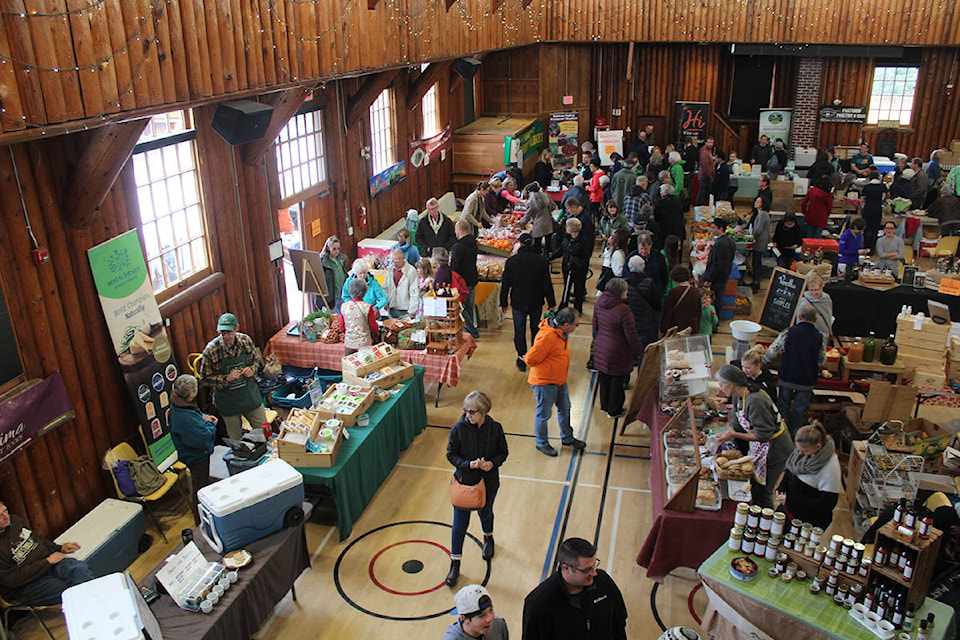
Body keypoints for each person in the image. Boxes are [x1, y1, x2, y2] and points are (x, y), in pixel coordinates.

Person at [444, 391, 509, 587]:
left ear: (483, 412)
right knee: (459, 525)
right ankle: (455, 563)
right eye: (466, 411)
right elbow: (451, 455)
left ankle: (488, 538)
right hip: (465, 483)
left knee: (486, 512)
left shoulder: (495, 428)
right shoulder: (458, 429)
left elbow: (503, 452)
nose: (467, 415)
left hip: (488, 482)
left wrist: (492, 463)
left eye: (472, 412)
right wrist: (469, 464)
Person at [713, 364, 794, 509]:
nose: (720, 389)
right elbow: (736, 421)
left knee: (763, 491)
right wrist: (729, 432)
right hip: (761, 448)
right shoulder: (740, 396)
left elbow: (763, 434)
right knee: (755, 487)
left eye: (721, 385)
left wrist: (733, 434)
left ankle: (765, 521)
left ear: (731, 385)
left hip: (775, 450)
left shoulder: (755, 400)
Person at [522, 537, 628, 640]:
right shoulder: (539, 604)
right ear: (566, 568)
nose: (594, 573)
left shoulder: (603, 582)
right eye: (587, 570)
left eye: (594, 566)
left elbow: (619, 619)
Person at [0, 501, 94, 606]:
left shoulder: (15, 521)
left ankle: (94, 606)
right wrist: (47, 562)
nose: (6, 516)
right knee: (69, 591)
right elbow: (13, 579)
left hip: (49, 564)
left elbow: (37, 539)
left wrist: (59, 548)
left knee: (79, 568)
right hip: (25, 585)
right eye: (0, 515)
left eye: (5, 510)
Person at [524, 307, 586, 457]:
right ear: (566, 325)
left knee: (565, 408)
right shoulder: (547, 337)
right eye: (576, 325)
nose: (576, 328)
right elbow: (530, 359)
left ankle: (567, 438)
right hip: (544, 382)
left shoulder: (561, 333)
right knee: (543, 414)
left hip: (559, 380)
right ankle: (542, 443)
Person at [762, 305, 826, 436]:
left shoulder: (788, 332)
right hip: (807, 379)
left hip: (787, 376)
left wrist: (764, 362)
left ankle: (782, 433)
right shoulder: (819, 336)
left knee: (783, 406)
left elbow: (773, 351)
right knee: (799, 409)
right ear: (815, 319)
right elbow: (822, 359)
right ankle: (796, 434)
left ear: (799, 317)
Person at [200, 313, 266, 440]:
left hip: (249, 396)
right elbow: (204, 379)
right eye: (222, 332)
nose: (226, 336)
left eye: (229, 332)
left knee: (264, 432)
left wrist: (251, 370)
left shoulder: (246, 341)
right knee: (236, 440)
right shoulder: (211, 350)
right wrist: (226, 379)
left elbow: (256, 362)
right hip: (228, 402)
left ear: (236, 328)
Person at [501, 232, 556, 371]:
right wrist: (551, 302)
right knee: (536, 329)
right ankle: (536, 355)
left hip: (518, 301)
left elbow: (505, 284)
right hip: (536, 301)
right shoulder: (541, 261)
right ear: (531, 243)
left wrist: (503, 303)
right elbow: (547, 284)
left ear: (519, 244)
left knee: (519, 331)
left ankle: (522, 357)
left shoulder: (512, 261)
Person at [170, 374, 217, 525]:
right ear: (191, 394)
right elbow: (202, 438)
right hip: (196, 457)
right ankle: (202, 523)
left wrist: (203, 418)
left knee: (200, 486)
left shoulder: (178, 405)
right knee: (200, 490)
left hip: (193, 453)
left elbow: (194, 417)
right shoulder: (185, 417)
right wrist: (211, 425)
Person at [593, 278, 644, 418]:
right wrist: (640, 351)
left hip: (601, 346)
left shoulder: (599, 303)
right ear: (620, 292)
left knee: (604, 378)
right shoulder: (623, 310)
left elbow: (595, 325)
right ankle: (614, 409)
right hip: (618, 350)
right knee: (617, 380)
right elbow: (631, 335)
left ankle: (605, 405)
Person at [777, 422, 842, 529]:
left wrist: (791, 500)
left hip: (807, 520)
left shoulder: (830, 467)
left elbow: (826, 504)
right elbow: (790, 472)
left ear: (818, 447)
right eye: (798, 449)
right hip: (789, 509)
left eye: (805, 451)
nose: (800, 453)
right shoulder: (803, 451)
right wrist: (782, 487)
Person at [625, 255, 660, 358]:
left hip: (628, 321)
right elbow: (657, 303)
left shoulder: (624, 283)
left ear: (629, 267)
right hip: (645, 322)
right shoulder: (649, 283)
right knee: (643, 353)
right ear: (643, 267)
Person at [444, 584, 509, 640]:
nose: (490, 619)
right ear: (465, 618)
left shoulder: (498, 624)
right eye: (482, 616)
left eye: (490, 610)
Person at [451, 219, 481, 339]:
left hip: (462, 281)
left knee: (462, 308)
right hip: (472, 278)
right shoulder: (473, 243)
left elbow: (455, 267)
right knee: (469, 306)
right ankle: (472, 329)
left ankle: (472, 331)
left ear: (460, 229)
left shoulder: (458, 247)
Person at [702, 218, 736, 315]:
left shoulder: (719, 244)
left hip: (717, 279)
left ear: (720, 228)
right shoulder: (730, 241)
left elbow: (716, 264)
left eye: (714, 228)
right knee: (719, 297)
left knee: (715, 299)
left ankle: (714, 321)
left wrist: (709, 279)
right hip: (724, 275)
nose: (712, 230)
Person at [338, 278, 379, 355]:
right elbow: (373, 327)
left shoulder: (344, 306)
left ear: (350, 291)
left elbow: (342, 326)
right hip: (364, 344)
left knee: (350, 365)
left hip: (349, 344)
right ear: (365, 292)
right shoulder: (367, 307)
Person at [558, 217, 590, 314]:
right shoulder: (567, 238)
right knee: (566, 288)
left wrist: (578, 262)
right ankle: (563, 307)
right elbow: (562, 249)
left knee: (578, 289)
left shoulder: (583, 241)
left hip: (578, 269)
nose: (565, 228)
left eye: (567, 227)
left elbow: (585, 255)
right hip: (567, 267)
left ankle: (577, 308)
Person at [519, 184, 556, 256]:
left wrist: (521, 223)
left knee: (537, 244)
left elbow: (527, 215)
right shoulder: (546, 196)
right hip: (548, 223)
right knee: (548, 243)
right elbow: (553, 206)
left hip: (538, 225)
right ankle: (549, 257)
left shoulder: (532, 201)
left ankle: (538, 257)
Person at [660, 265, 700, 334]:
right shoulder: (696, 292)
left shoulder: (673, 292)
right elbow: (699, 312)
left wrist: (663, 330)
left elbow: (667, 313)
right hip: (691, 328)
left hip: (676, 328)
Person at [796, 274, 834, 345]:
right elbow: (800, 323)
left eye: (816, 290)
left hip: (825, 336)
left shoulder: (826, 298)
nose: (814, 293)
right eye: (811, 290)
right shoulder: (804, 303)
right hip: (810, 338)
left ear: (822, 287)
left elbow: (829, 315)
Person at [384, 248, 420, 318]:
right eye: (392, 261)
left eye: (397, 262)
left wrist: (412, 311)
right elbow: (385, 288)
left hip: (405, 310)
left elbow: (414, 292)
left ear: (403, 258)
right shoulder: (390, 270)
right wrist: (385, 302)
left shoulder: (411, 271)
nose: (394, 264)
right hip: (391, 308)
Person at [859, 167, 887, 251]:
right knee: (875, 229)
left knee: (867, 229)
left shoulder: (867, 187)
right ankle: (873, 247)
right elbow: (887, 195)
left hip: (868, 209)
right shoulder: (882, 186)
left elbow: (862, 199)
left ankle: (866, 247)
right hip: (877, 209)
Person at [320, 235, 349, 312]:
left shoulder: (341, 260)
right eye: (334, 249)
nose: (337, 251)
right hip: (332, 297)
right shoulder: (323, 262)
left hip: (343, 294)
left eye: (338, 249)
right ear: (328, 248)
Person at [747, 196, 770, 292]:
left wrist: (750, 236)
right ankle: (756, 281)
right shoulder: (761, 214)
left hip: (760, 243)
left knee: (756, 262)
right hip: (760, 242)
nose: (756, 203)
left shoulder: (762, 215)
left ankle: (756, 282)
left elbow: (758, 230)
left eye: (758, 202)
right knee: (756, 262)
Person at [696, 136, 715, 205]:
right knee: (702, 196)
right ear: (706, 142)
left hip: (706, 177)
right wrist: (710, 176)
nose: (711, 144)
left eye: (712, 143)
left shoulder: (708, 151)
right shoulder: (704, 152)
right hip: (705, 177)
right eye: (709, 142)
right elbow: (705, 166)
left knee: (703, 195)